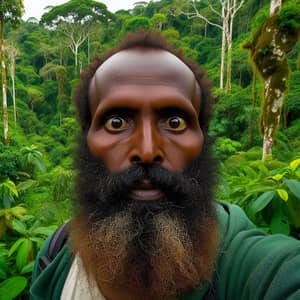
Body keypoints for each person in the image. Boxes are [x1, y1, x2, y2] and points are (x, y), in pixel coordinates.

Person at [30, 31, 300, 300]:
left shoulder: (251, 266)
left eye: (175, 122)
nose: (147, 151)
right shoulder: (56, 258)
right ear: (87, 141)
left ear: (202, 141)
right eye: (116, 123)